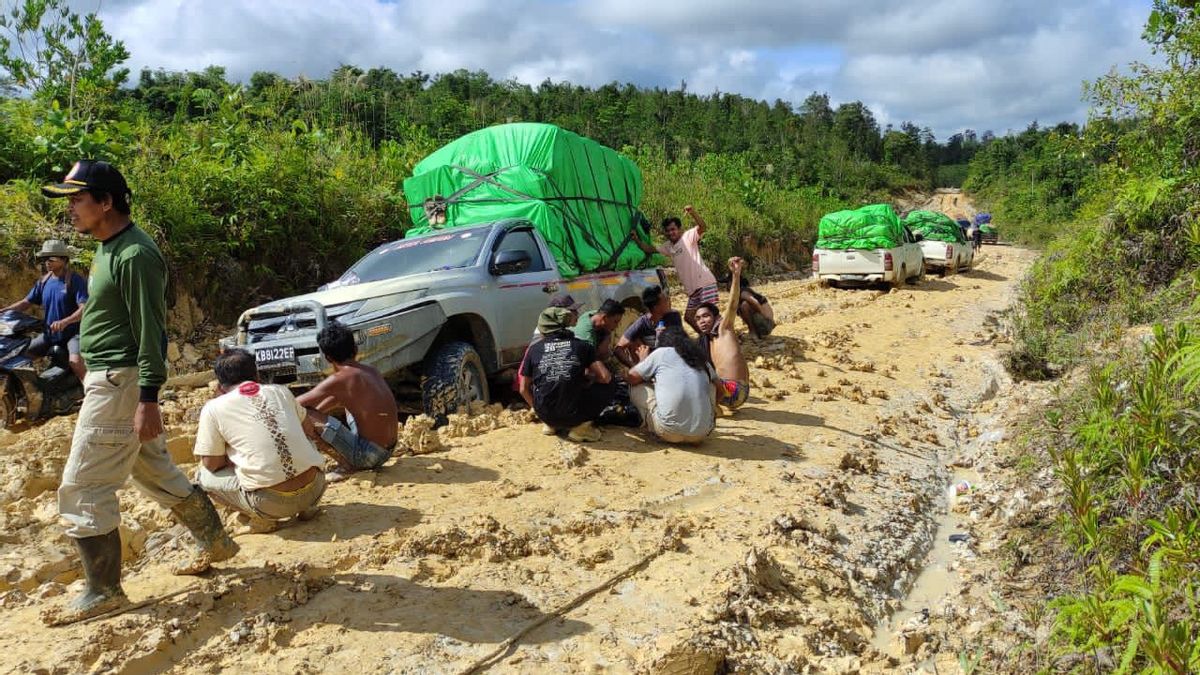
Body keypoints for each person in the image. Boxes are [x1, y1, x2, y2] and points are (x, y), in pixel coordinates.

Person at [42, 160, 237, 626]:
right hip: (112, 379)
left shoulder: (134, 255)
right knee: (155, 472)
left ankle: (103, 591)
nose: (70, 209)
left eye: (77, 199)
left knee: (84, 485)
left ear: (106, 202)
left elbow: (152, 332)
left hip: (121, 383)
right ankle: (215, 541)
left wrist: (148, 398)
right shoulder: (109, 247)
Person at [194, 349, 326, 533]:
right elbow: (308, 430)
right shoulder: (281, 391)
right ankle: (306, 507)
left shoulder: (214, 408)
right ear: (256, 374)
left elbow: (210, 464)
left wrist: (233, 458)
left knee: (202, 476)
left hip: (269, 504)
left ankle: (261, 519)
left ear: (220, 385)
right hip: (315, 488)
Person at [297, 321, 399, 481]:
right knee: (334, 402)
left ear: (328, 357)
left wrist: (307, 422)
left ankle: (346, 465)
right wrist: (319, 415)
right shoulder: (370, 370)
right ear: (355, 349)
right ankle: (345, 452)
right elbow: (333, 400)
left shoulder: (341, 378)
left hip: (367, 456)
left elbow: (294, 403)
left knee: (305, 414)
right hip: (388, 451)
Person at [519, 306, 617, 442]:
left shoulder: (534, 349)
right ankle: (581, 428)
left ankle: (550, 425)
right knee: (611, 382)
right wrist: (587, 380)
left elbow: (523, 388)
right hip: (574, 415)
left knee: (540, 385)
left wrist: (539, 411)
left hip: (545, 414)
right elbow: (605, 377)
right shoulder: (582, 346)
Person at [1, 240, 88, 381]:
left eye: (51, 258)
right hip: (50, 334)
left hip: (73, 334)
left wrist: (65, 321)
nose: (47, 262)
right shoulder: (44, 281)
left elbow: (84, 308)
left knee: (75, 362)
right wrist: (5, 311)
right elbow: (26, 302)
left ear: (64, 260)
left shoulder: (75, 281)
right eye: (44, 259)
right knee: (21, 354)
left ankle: (90, 393)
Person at [632, 205, 717, 335]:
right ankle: (707, 338)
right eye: (668, 231)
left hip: (705, 284)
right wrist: (636, 240)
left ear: (679, 229)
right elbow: (649, 249)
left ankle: (720, 339)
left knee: (710, 317)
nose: (671, 233)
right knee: (689, 317)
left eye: (673, 229)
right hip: (693, 290)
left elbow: (703, 227)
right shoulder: (668, 247)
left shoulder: (688, 237)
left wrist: (693, 212)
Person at [626, 326, 719, 444]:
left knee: (636, 387)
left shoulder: (662, 353)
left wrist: (643, 360)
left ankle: (650, 426)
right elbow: (719, 388)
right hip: (701, 433)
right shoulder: (701, 359)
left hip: (668, 431)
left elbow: (632, 378)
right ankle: (698, 424)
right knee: (711, 386)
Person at [694, 258, 754, 411]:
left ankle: (713, 408)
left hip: (735, 390)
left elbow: (733, 303)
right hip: (731, 393)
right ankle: (717, 405)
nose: (702, 321)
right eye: (698, 318)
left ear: (715, 317)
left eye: (706, 316)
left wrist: (735, 275)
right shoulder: (707, 339)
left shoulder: (723, 328)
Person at [615, 285, 681, 368]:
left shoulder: (674, 317)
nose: (669, 302)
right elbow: (618, 348)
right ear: (656, 307)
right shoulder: (642, 323)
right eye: (665, 300)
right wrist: (634, 367)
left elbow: (680, 343)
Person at [735, 274, 775, 339]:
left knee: (744, 305)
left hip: (766, 324)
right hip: (767, 323)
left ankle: (753, 333)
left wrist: (765, 317)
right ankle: (756, 332)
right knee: (742, 306)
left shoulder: (742, 292)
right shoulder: (744, 291)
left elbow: (755, 303)